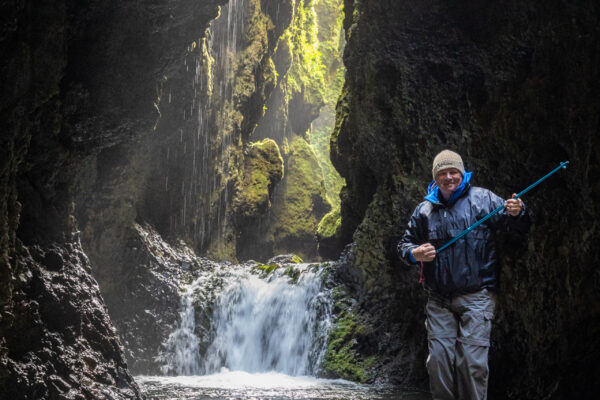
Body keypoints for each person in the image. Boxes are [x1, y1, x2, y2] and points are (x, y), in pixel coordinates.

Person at [397, 150, 530, 400]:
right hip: (438, 300)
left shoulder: (484, 199)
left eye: (453, 172)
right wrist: (415, 253)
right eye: (442, 173)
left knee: (470, 363)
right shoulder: (424, 210)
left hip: (477, 296)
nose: (449, 177)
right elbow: (404, 245)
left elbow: (516, 230)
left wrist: (518, 212)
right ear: (435, 178)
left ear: (462, 173)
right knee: (438, 362)